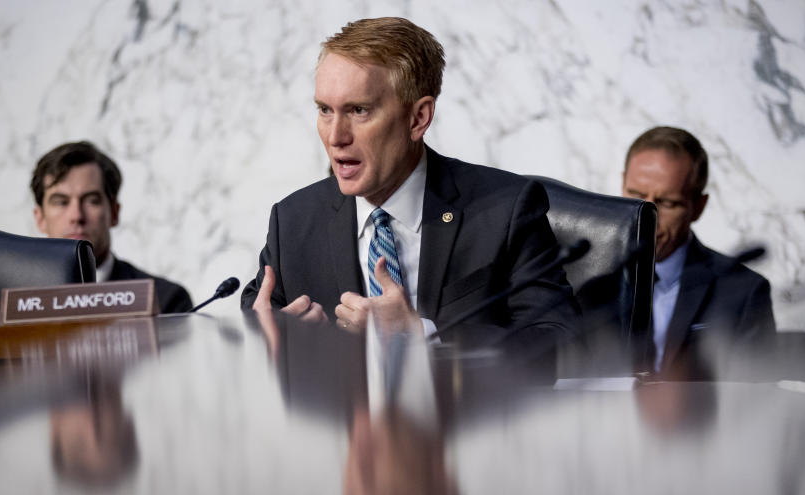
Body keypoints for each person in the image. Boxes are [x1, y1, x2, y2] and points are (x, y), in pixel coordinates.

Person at [241, 17, 579, 358]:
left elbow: (557, 339)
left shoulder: (505, 209)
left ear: (418, 118)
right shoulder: (293, 221)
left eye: (359, 110)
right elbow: (257, 323)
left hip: (470, 409)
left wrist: (422, 334)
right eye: (325, 110)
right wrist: (270, 339)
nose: (335, 136)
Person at [622, 126, 776, 378]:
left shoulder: (744, 292)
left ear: (698, 207)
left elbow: (756, 402)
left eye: (667, 203)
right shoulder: (584, 278)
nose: (646, 216)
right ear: (622, 184)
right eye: (635, 194)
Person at [31, 141, 193, 313]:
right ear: (40, 218)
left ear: (114, 213)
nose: (76, 216)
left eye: (92, 201)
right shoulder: (8, 303)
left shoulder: (166, 300)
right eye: (61, 202)